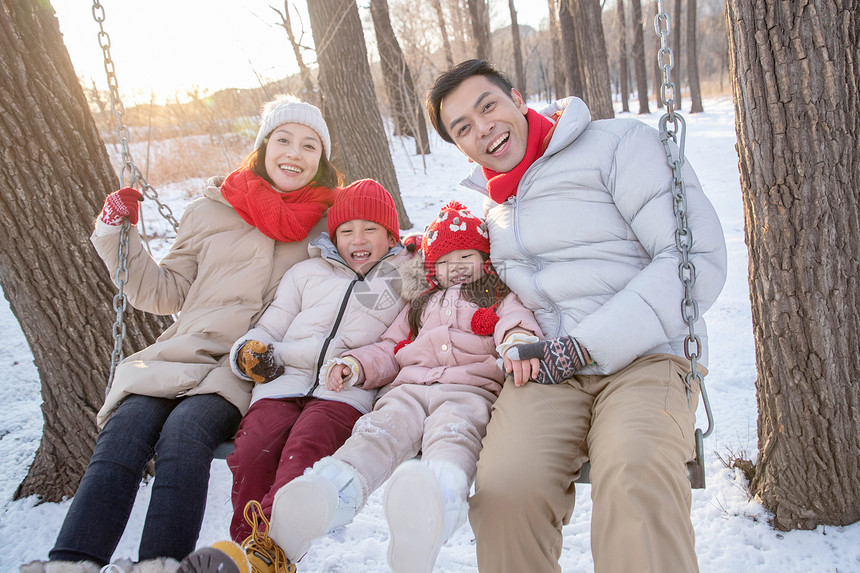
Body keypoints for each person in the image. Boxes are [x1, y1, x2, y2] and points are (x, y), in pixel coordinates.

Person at [426, 60, 728, 573]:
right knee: (504, 490)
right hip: (547, 371)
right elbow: (473, 286)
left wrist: (586, 345)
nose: (484, 129)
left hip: (648, 356)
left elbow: (693, 260)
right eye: (464, 128)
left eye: (488, 106)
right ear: (459, 146)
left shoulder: (618, 145)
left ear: (518, 99)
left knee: (634, 471)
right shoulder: (495, 211)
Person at [21, 95, 341, 573]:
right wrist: (119, 236)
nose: (294, 153)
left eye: (309, 145)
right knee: (123, 433)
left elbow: (365, 265)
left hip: (244, 367)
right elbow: (164, 293)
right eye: (283, 139)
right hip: (180, 354)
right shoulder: (211, 210)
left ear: (320, 161)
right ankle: (72, 562)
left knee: (184, 433)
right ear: (263, 146)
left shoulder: (324, 227)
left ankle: (163, 566)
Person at [178, 201, 543, 573]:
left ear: (485, 260)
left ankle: (438, 501)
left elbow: (515, 324)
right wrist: (356, 365)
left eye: (467, 256)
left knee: (454, 437)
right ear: (434, 268)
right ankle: (334, 489)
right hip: (407, 392)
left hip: (467, 394)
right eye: (447, 260)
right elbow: (388, 347)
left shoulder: (497, 297)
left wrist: (516, 342)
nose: (458, 267)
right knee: (376, 433)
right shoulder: (419, 303)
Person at [224, 178, 408, 550]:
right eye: (346, 230)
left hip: (343, 393)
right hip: (280, 384)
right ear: (333, 237)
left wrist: (357, 366)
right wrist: (247, 353)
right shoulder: (306, 274)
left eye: (370, 229)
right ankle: (248, 546)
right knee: (251, 452)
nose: (357, 240)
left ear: (391, 237)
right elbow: (268, 327)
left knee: (304, 452)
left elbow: (394, 347)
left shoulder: (399, 281)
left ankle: (270, 550)